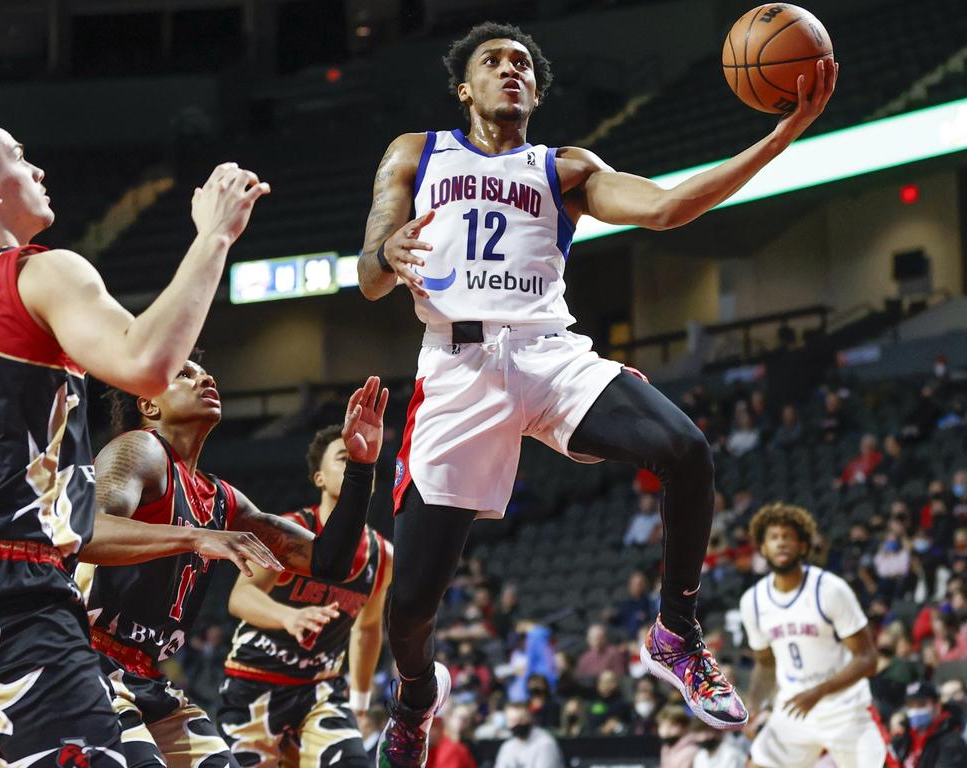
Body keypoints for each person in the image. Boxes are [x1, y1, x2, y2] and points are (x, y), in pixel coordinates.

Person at [357, 22, 837, 759]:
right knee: (411, 608)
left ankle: (677, 631)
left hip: (550, 354)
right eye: (493, 61)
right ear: (466, 88)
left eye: (522, 63)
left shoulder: (565, 169)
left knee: (685, 447)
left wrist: (785, 132)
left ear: (538, 91)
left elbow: (670, 207)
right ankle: (417, 695)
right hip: (458, 369)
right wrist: (387, 251)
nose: (510, 69)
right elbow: (367, 275)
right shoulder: (417, 153)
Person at [0, 113, 268, 767]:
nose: (37, 169)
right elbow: (146, 362)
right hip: (10, 587)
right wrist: (214, 236)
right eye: (18, 156)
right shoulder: (34, 273)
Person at [74, 366, 387, 766]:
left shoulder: (222, 499)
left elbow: (330, 562)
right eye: (184, 375)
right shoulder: (140, 449)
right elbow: (88, 533)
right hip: (85, 658)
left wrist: (361, 468)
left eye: (206, 375)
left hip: (145, 673)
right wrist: (195, 536)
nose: (206, 380)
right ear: (149, 404)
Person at [218, 424, 394, 768]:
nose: (356, 465)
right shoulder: (288, 530)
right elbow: (241, 597)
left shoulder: (383, 554)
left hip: (320, 689)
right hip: (254, 682)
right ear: (320, 479)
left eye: (363, 464)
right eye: (344, 458)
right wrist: (289, 617)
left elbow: (368, 628)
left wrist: (359, 701)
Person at [740, 502, 886, 767]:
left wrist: (818, 692)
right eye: (773, 537)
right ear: (762, 549)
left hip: (845, 708)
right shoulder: (753, 601)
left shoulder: (830, 590)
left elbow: (868, 659)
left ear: (804, 546)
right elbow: (765, 662)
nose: (781, 543)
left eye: (788, 537)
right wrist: (754, 704)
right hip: (794, 709)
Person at [892, 681, 967, 768]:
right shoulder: (904, 735)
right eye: (911, 706)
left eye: (921, 704)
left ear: (937, 706)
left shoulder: (952, 743)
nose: (915, 711)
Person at [493, 702, 563, 768]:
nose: (517, 724)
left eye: (521, 720)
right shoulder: (507, 746)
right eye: (512, 721)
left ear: (530, 718)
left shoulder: (545, 743)